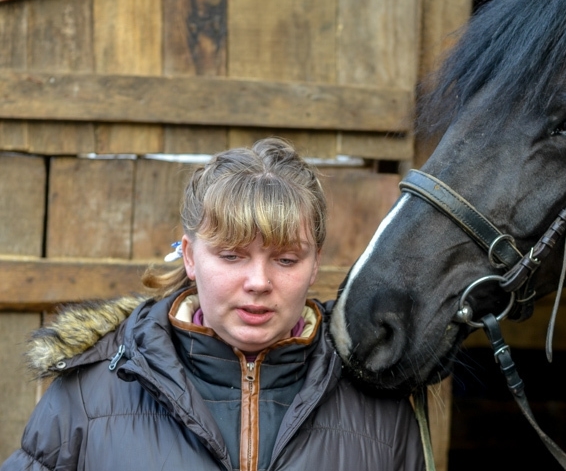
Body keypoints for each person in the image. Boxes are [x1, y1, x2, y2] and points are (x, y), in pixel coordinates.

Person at [1, 138, 425, 471]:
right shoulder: (92, 394)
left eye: (286, 259)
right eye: (231, 255)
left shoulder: (377, 404)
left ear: (316, 263)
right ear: (189, 256)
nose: (259, 282)